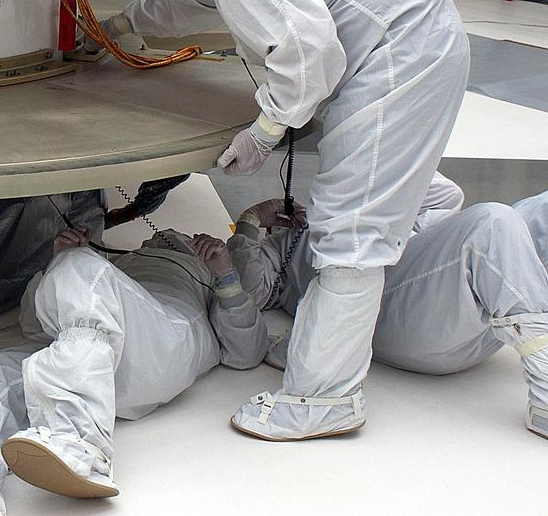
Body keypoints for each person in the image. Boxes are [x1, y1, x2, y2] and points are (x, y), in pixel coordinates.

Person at [104, 0, 472, 440]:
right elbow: (190, 5)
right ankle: (413, 233)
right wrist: (123, 24)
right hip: (411, 40)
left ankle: (324, 399)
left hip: (400, 52)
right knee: (376, 185)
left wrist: (265, 129)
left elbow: (309, 56)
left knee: (348, 232)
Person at [0, 223, 268, 516]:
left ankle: (81, 445)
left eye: (177, 234)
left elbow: (246, 352)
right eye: (160, 234)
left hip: (164, 343)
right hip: (87, 355)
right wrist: (56, 262)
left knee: (82, 271)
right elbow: (34, 325)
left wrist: (225, 273)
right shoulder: (118, 265)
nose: (167, 233)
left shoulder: (204, 271)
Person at [228, 176, 548, 441]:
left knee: (533, 213)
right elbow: (251, 288)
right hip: (386, 312)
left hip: (458, 306)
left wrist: (358, 188)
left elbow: (441, 195)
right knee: (493, 224)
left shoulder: (333, 220)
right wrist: (250, 220)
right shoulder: (276, 256)